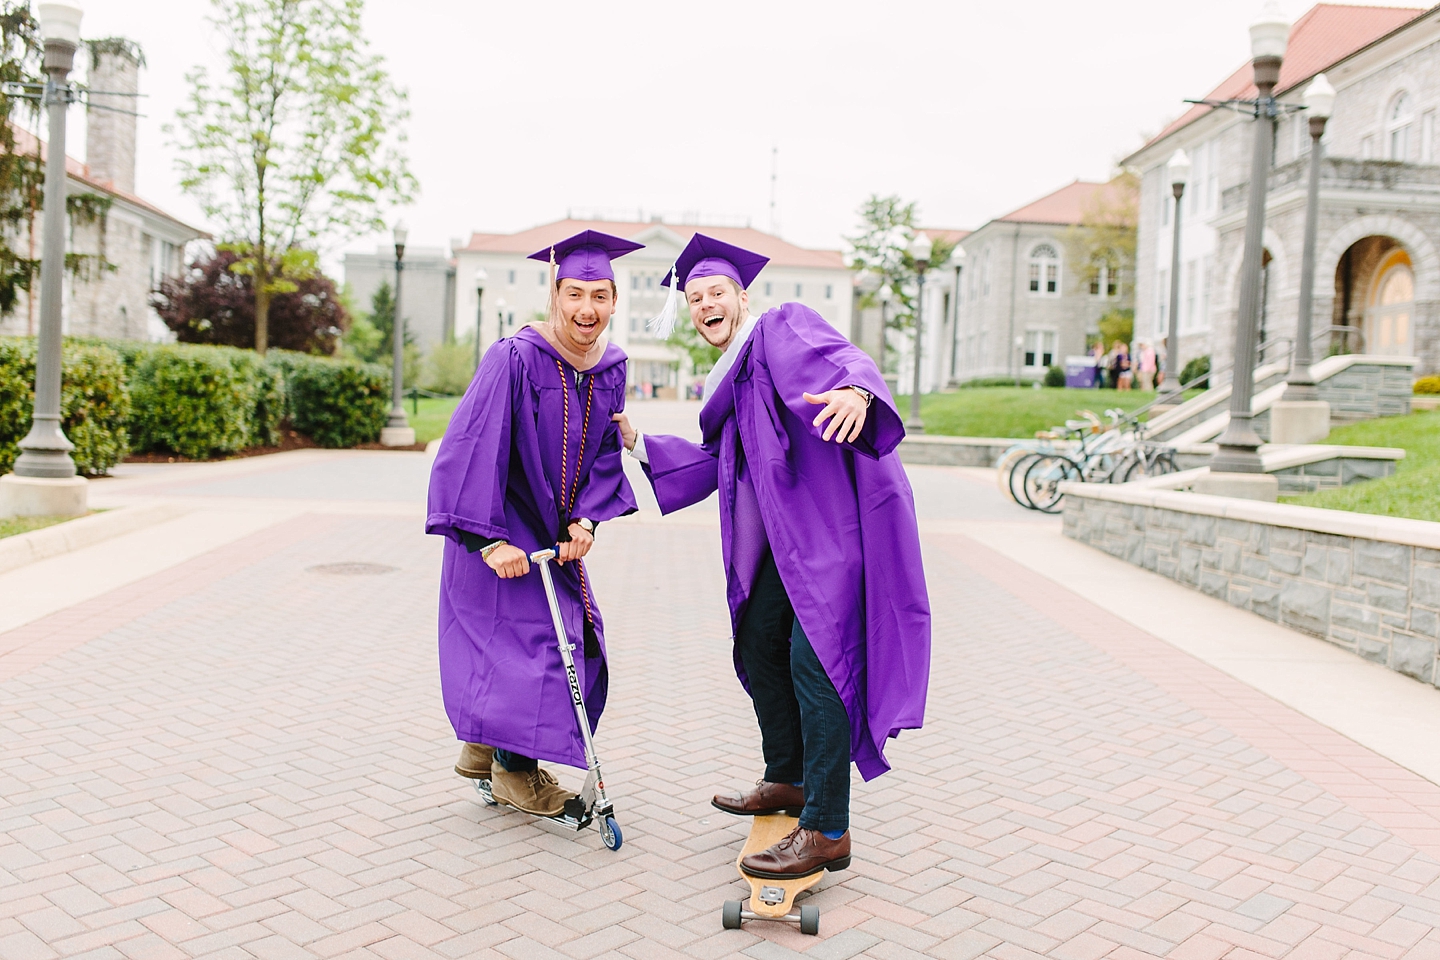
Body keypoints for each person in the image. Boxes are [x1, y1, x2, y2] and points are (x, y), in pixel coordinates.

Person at [614, 234, 931, 879]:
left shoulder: (781, 328)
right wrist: (639, 441)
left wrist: (859, 395)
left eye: (716, 293)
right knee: (759, 645)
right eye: (695, 296)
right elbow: (716, 461)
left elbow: (842, 359)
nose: (706, 304)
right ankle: (787, 779)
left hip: (828, 535)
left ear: (742, 297)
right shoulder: (726, 377)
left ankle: (827, 828)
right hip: (783, 552)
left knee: (817, 667)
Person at [426, 230, 641, 816]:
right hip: (499, 525)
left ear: (616, 301)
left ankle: (486, 746)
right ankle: (514, 773)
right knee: (539, 647)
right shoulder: (515, 357)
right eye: (575, 293)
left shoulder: (610, 369)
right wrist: (488, 539)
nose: (586, 309)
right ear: (555, 293)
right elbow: (471, 446)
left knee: (565, 643)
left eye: (600, 295)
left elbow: (602, 453)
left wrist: (588, 521)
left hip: (554, 535)